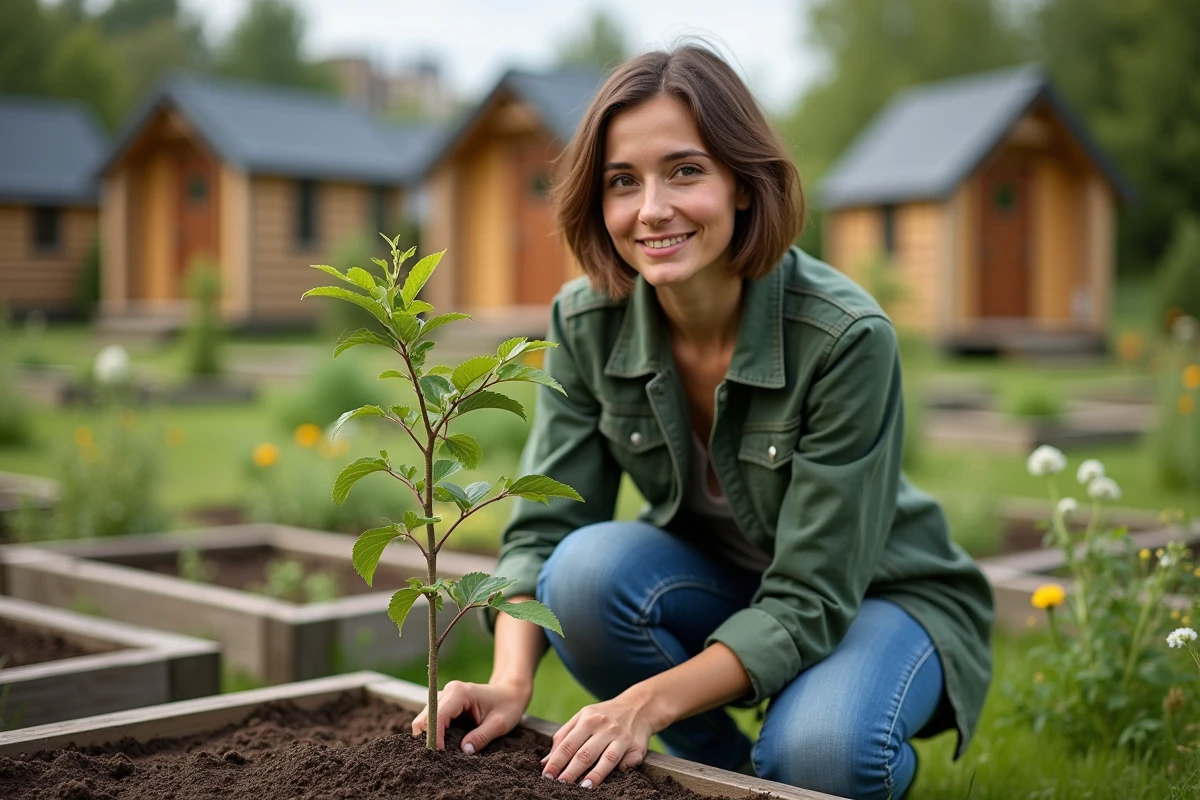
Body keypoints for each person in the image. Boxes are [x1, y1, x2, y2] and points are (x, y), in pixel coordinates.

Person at [411, 44, 993, 800]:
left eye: (685, 171)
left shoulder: (846, 337)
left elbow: (813, 596)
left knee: (823, 755)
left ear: (743, 185)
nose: (652, 209)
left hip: (877, 594)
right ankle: (720, 775)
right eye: (624, 181)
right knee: (581, 576)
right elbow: (541, 532)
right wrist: (511, 680)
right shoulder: (587, 321)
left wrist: (643, 705)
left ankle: (822, 749)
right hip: (728, 579)